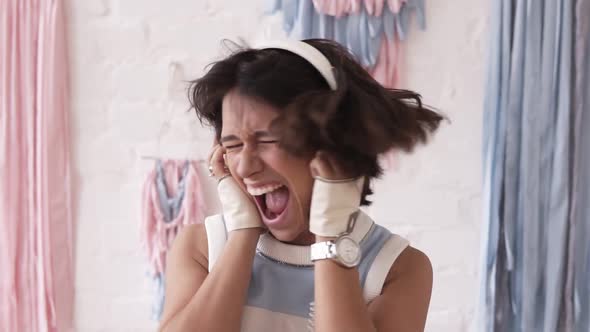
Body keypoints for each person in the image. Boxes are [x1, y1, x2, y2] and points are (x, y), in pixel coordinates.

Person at [158, 38, 443, 332]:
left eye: (268, 140)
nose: (244, 166)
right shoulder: (202, 247)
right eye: (233, 145)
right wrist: (243, 232)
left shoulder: (396, 268)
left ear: (334, 142)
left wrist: (330, 233)